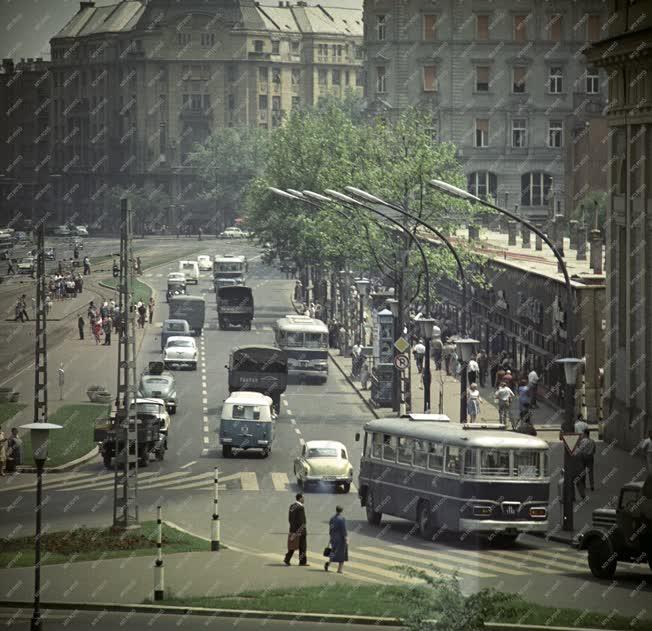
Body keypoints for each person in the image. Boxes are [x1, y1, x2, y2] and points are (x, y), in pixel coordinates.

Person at [284, 493, 308, 566]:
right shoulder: (300, 507)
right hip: (300, 531)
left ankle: (287, 558)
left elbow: (291, 519)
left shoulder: (292, 506)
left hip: (293, 529)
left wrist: (293, 530)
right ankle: (302, 562)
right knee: (302, 547)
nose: (304, 499)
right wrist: (300, 531)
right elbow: (301, 521)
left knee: (293, 545)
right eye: (303, 498)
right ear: (300, 498)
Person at [325, 505, 348, 574]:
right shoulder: (342, 519)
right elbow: (343, 530)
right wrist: (346, 538)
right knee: (342, 554)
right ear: (341, 511)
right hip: (340, 539)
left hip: (333, 538)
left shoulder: (332, 518)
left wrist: (331, 537)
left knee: (333, 552)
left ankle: (328, 563)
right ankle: (339, 569)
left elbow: (330, 529)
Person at [576, 429, 596, 496]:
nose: (582, 435)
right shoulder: (592, 441)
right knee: (591, 472)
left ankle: (583, 485)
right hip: (590, 457)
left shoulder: (583, 441)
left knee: (583, 471)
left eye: (583, 434)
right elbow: (594, 450)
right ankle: (592, 485)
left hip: (583, 457)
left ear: (585, 434)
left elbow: (580, 449)